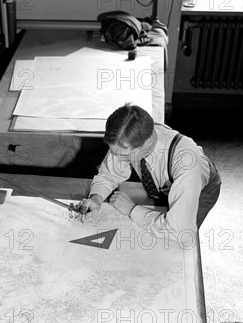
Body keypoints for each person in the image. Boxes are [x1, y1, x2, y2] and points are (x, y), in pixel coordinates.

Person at [79, 104, 221, 243]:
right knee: (153, 227)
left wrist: (132, 209)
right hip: (165, 186)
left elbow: (179, 232)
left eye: (125, 156)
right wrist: (97, 198)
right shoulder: (128, 139)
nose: (118, 159)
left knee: (173, 244)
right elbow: (109, 174)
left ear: (148, 142)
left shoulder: (188, 163)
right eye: (116, 153)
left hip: (202, 190)